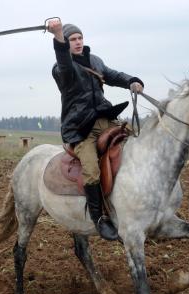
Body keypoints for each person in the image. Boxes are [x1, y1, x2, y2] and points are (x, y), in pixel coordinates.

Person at [48, 19, 144, 241]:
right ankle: (99, 218)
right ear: (66, 42)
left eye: (80, 38)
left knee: (134, 144)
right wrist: (58, 35)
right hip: (81, 128)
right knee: (91, 170)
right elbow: (63, 62)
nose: (78, 42)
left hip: (103, 119)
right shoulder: (61, 69)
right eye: (73, 39)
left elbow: (112, 75)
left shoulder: (95, 61)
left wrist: (131, 81)